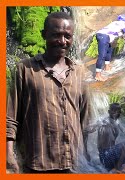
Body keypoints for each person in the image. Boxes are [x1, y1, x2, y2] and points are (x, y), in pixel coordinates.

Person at [6, 12, 91, 173]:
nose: (62, 41)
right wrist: (8, 154)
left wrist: (85, 155)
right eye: (56, 35)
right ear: (44, 35)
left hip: (73, 163)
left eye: (68, 36)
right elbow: (10, 117)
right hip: (38, 163)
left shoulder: (80, 73)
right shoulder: (25, 69)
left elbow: (85, 119)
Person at [84, 103, 125, 173]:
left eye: (119, 110)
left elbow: (124, 139)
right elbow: (87, 130)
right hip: (106, 156)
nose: (117, 112)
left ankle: (122, 167)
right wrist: (85, 152)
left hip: (113, 155)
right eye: (114, 110)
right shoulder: (104, 121)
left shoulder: (117, 122)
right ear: (109, 112)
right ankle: (118, 167)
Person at [95, 14, 125, 81]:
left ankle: (107, 67)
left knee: (109, 50)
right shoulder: (124, 25)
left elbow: (116, 32)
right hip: (104, 37)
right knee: (102, 56)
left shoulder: (114, 23)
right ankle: (97, 75)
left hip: (101, 35)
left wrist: (123, 36)